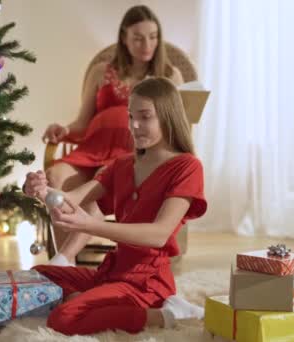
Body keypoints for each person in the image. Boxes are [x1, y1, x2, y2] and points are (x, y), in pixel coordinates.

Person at [24, 77, 206, 335]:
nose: (134, 125)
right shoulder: (122, 165)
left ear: (167, 116)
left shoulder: (187, 167)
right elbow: (72, 200)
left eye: (145, 117)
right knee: (38, 276)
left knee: (64, 319)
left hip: (146, 281)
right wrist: (41, 191)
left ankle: (165, 314)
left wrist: (92, 225)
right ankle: (91, 301)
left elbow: (159, 234)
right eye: (131, 117)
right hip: (111, 272)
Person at [42, 5, 185, 264]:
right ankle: (69, 268)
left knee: (101, 182)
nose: (147, 44)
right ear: (124, 38)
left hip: (130, 154)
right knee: (55, 176)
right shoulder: (101, 71)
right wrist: (64, 131)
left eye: (153, 37)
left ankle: (66, 257)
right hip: (91, 148)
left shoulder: (169, 76)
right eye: (138, 37)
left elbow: (173, 125)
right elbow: (82, 123)